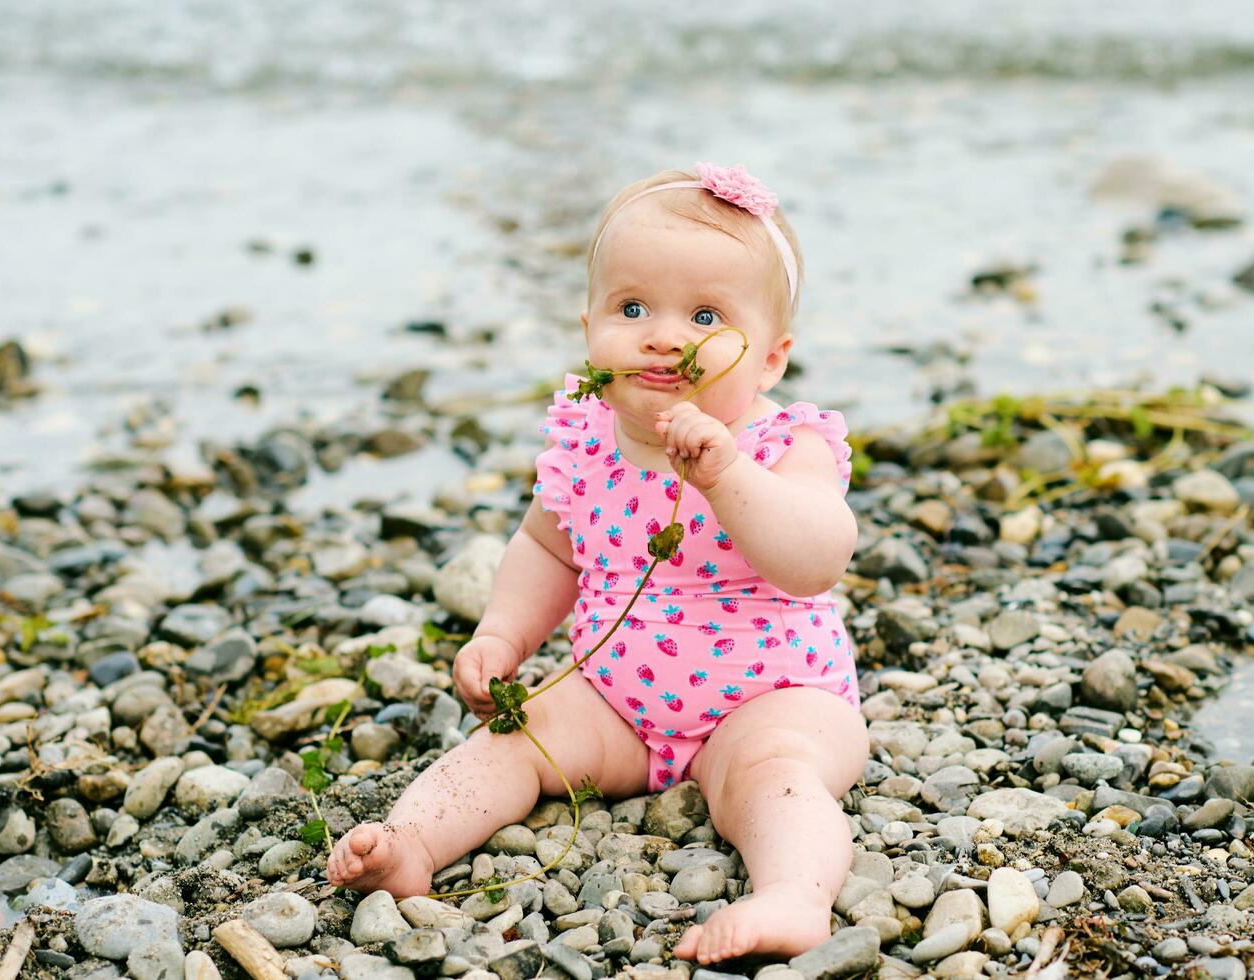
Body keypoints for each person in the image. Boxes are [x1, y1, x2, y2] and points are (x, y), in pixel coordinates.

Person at [327, 162, 870, 965]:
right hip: (617, 703)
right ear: (588, 329)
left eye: (708, 315)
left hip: (772, 695)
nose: (664, 334)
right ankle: (412, 844)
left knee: (774, 778)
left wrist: (728, 479)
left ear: (771, 360)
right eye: (633, 307)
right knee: (513, 741)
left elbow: (817, 558)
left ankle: (793, 894)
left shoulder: (783, 446)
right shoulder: (586, 442)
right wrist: (502, 638)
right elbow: (546, 549)